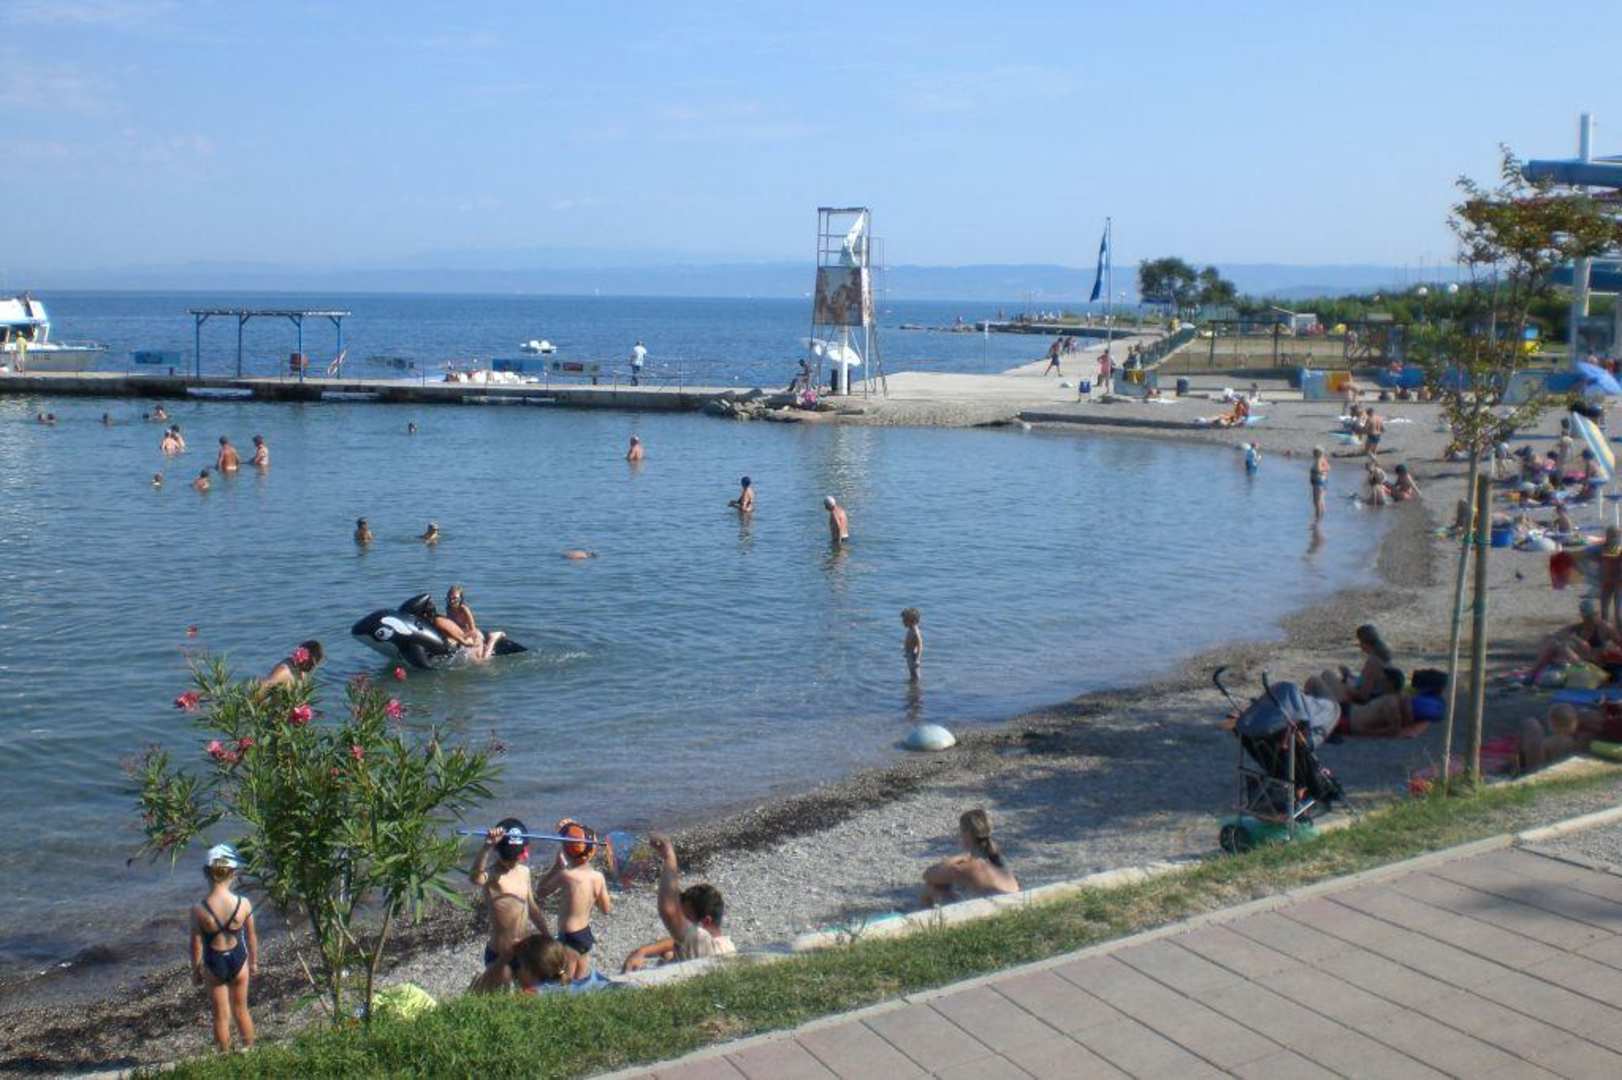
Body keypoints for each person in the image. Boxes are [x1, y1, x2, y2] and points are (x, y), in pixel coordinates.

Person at [621, 835, 734, 972]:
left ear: (706, 921)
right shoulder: (724, 945)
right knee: (669, 954)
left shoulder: (704, 943)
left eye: (686, 918)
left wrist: (669, 856)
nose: (681, 921)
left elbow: (669, 911)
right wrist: (643, 951)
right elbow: (676, 940)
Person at [190, 843, 258, 1053]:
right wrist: (253, 962)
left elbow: (195, 943)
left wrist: (196, 971)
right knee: (241, 1010)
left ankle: (225, 1055)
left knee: (220, 1015)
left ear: (206, 873)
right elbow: (251, 936)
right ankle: (249, 1050)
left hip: (214, 962)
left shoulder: (199, 909)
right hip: (239, 960)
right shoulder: (243, 903)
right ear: (233, 873)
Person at [533, 821, 612, 981]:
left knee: (565, 980)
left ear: (565, 852)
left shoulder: (566, 875)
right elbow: (606, 909)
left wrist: (556, 866)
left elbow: (540, 892)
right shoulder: (598, 877)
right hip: (585, 935)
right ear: (593, 852)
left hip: (569, 936)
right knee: (580, 979)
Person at [469, 820, 551, 970]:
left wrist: (547, 935)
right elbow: (476, 879)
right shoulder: (493, 874)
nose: (511, 860)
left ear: (523, 851)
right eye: (506, 856)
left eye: (515, 856)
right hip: (499, 952)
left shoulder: (525, 872)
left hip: (522, 950)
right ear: (498, 851)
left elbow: (532, 908)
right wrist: (487, 846)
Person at [921, 809, 1019, 906]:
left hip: (997, 908)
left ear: (967, 834)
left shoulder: (968, 866)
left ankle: (927, 912)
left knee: (933, 887)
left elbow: (927, 874)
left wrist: (960, 856)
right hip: (1013, 902)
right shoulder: (995, 856)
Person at [1527, 599, 1622, 685]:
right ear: (1583, 615)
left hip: (1595, 667)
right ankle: (1532, 674)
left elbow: (1619, 643)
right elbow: (1552, 636)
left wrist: (1574, 639)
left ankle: (1532, 674)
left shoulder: (1604, 628)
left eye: (1593, 615)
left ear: (1597, 614)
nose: (1591, 619)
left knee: (1562, 646)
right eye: (1588, 616)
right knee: (1554, 644)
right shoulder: (1576, 628)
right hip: (1579, 664)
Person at [469, 933, 569, 995]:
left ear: (528, 971)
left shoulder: (529, 996)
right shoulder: (567, 983)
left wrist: (503, 959)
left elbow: (477, 994)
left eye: (520, 965)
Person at [1519, 704, 1584, 773]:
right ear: (1573, 725)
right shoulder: (1573, 742)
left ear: (1551, 725)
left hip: (1549, 770)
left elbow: (1540, 762)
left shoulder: (1547, 743)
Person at [446, 585, 505, 660]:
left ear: (461, 599)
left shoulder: (464, 609)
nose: (452, 601)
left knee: (483, 659)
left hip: (471, 634)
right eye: (450, 598)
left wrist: (459, 638)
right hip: (460, 634)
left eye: (455, 598)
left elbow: (472, 630)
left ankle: (493, 638)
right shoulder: (448, 609)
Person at [901, 607, 923, 682]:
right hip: (909, 655)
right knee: (912, 674)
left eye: (905, 620)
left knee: (916, 675)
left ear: (912, 621)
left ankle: (917, 686)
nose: (903, 622)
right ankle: (913, 686)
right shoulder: (910, 629)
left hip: (913, 656)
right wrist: (906, 652)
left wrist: (918, 659)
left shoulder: (916, 632)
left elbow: (920, 646)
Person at [1310, 447, 1329, 521]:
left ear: (1318, 453)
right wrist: (1324, 471)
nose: (1313, 453)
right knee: (1321, 500)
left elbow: (1318, 469)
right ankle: (1321, 518)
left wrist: (1320, 471)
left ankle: (1317, 519)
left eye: (1314, 452)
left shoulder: (1318, 459)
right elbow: (1328, 468)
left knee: (1316, 501)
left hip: (1318, 482)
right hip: (1322, 482)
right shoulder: (1322, 459)